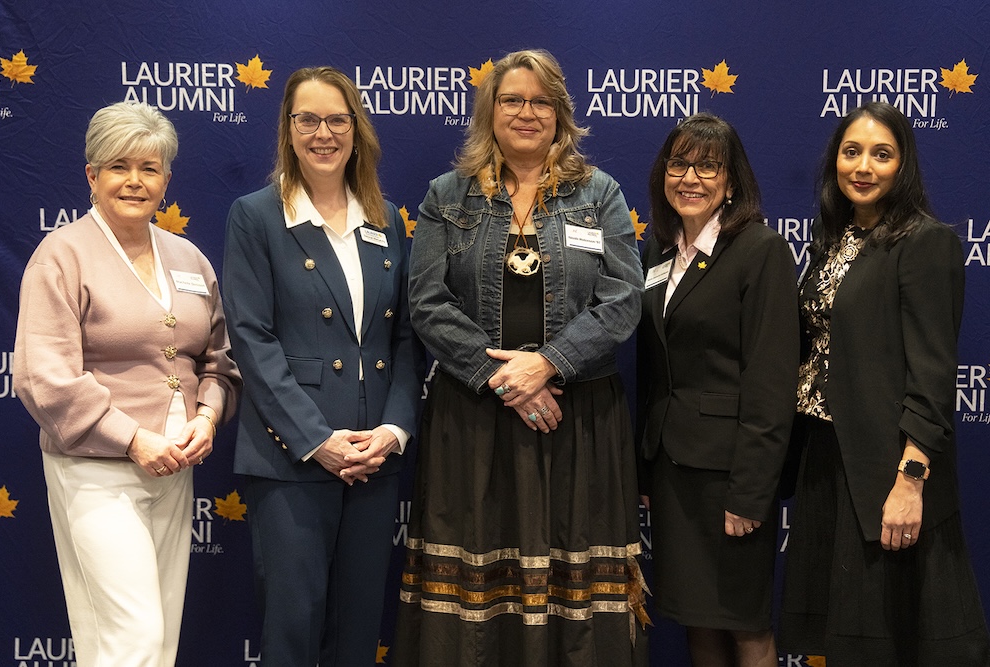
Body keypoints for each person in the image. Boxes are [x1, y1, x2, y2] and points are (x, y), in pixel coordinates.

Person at [393, 49, 647, 666]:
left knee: (575, 594)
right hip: (474, 419)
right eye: (512, 100)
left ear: (559, 113)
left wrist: (549, 362)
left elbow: (622, 299)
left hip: (578, 419)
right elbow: (426, 302)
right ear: (490, 111)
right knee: (477, 601)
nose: (525, 113)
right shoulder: (446, 196)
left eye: (539, 101)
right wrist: (506, 378)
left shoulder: (599, 194)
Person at [12, 101, 241, 667]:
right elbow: (44, 377)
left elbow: (220, 364)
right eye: (119, 167)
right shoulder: (61, 255)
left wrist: (207, 418)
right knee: (132, 637)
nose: (135, 181)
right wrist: (134, 440)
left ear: (167, 179)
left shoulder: (189, 257)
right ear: (92, 176)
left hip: (176, 469)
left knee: (154, 641)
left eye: (150, 167)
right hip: (96, 473)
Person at [222, 66, 424, 667]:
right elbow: (253, 341)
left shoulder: (385, 220)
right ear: (288, 130)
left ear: (356, 129)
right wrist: (317, 441)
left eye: (337, 119)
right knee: (294, 631)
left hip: (373, 459)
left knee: (359, 633)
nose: (323, 133)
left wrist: (392, 432)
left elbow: (406, 339)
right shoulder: (256, 216)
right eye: (307, 119)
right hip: (293, 459)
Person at [779, 101, 990, 666]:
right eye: (852, 152)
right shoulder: (832, 242)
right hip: (827, 459)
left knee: (890, 643)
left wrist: (910, 480)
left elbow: (933, 374)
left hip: (888, 468)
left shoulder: (926, 242)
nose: (864, 167)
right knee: (840, 643)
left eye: (882, 154)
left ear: (904, 165)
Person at [635, 113, 799, 667]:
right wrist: (645, 467)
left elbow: (772, 382)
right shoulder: (658, 252)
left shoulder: (760, 251)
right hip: (674, 472)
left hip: (732, 477)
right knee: (697, 621)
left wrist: (751, 492)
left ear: (732, 182)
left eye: (708, 166)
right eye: (679, 163)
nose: (691, 177)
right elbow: (655, 370)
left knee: (744, 624)